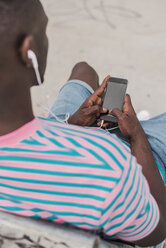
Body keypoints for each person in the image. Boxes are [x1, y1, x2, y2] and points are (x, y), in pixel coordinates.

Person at [0, 0, 165, 247]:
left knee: (83, 71)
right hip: (132, 163)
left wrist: (70, 126)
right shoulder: (109, 168)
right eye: (43, 31)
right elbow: (157, 230)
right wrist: (137, 137)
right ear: (29, 50)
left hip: (65, 132)